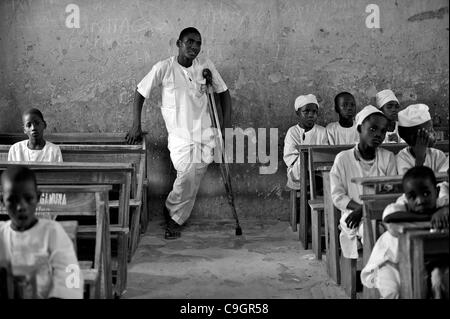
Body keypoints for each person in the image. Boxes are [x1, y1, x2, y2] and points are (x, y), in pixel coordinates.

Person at [125, 27, 232, 239]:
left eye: (198, 43)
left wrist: (225, 127)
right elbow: (140, 92)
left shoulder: (205, 66)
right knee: (188, 173)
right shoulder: (164, 68)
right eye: (190, 42)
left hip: (205, 135)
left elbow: (224, 93)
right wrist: (136, 124)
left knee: (191, 177)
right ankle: (175, 217)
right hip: (180, 138)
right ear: (179, 43)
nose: (194, 47)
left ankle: (172, 207)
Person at [361, 166, 449, 299]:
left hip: (424, 260)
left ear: (436, 192)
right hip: (389, 262)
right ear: (406, 197)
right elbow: (389, 217)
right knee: (392, 290)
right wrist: (432, 216)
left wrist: (445, 210)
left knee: (436, 283)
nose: (420, 201)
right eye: (413, 197)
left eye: (426, 194)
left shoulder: (442, 203)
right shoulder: (399, 205)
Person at [0, 166, 82, 299]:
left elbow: (71, 278)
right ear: (2, 201)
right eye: (12, 200)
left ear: (38, 197)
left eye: (28, 198)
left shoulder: (53, 233)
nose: (21, 207)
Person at [330, 105, 396, 259]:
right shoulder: (343, 158)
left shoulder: (388, 157)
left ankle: (390, 275)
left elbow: (390, 192)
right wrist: (361, 210)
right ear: (359, 129)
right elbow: (338, 196)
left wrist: (364, 210)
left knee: (396, 230)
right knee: (372, 230)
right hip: (352, 215)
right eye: (373, 129)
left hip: (381, 213)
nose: (378, 134)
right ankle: (374, 277)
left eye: (382, 130)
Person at [283, 94, 328, 190]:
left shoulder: (322, 131)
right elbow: (290, 158)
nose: (311, 115)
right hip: (298, 171)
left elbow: (324, 154)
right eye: (306, 111)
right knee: (303, 165)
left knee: (324, 177)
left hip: (317, 170)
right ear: (298, 113)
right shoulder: (293, 132)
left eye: (314, 111)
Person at [397, 104, 448, 175]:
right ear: (417, 137)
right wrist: (419, 159)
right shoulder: (403, 156)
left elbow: (442, 182)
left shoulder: (438, 155)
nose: (434, 133)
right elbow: (411, 184)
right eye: (430, 130)